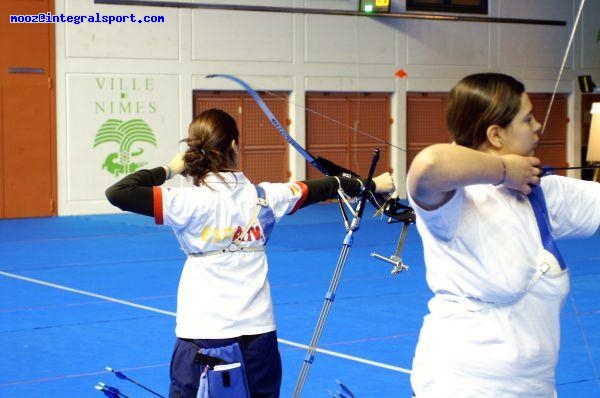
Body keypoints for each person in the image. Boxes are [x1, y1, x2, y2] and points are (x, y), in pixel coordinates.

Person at [105, 108, 395, 398]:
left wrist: (170, 168)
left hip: (202, 333)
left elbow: (119, 192)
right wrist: (374, 185)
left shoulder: (184, 201)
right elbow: (331, 185)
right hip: (258, 337)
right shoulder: (269, 197)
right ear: (234, 146)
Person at [406, 73, 600, 397]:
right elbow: (429, 165)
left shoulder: (540, 192)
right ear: (496, 134)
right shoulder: (456, 200)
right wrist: (505, 171)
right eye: (527, 119)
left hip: (533, 388)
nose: (538, 126)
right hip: (460, 386)